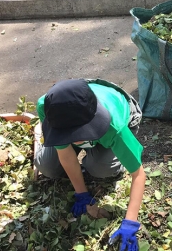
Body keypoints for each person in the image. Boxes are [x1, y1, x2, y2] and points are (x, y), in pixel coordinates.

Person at [34, 79, 145, 251]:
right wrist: (81, 192)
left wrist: (130, 221)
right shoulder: (48, 109)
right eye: (70, 135)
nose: (77, 139)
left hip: (120, 115)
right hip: (76, 114)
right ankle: (39, 136)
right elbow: (66, 156)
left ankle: (106, 156)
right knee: (47, 166)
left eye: (81, 134)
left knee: (100, 168)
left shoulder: (114, 127)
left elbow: (138, 175)